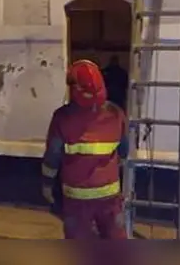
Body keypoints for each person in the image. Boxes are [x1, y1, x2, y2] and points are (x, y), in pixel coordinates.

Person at [41, 59, 129, 239]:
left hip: (76, 199)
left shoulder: (62, 118)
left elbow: (52, 157)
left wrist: (47, 185)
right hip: (110, 197)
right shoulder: (116, 114)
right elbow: (125, 151)